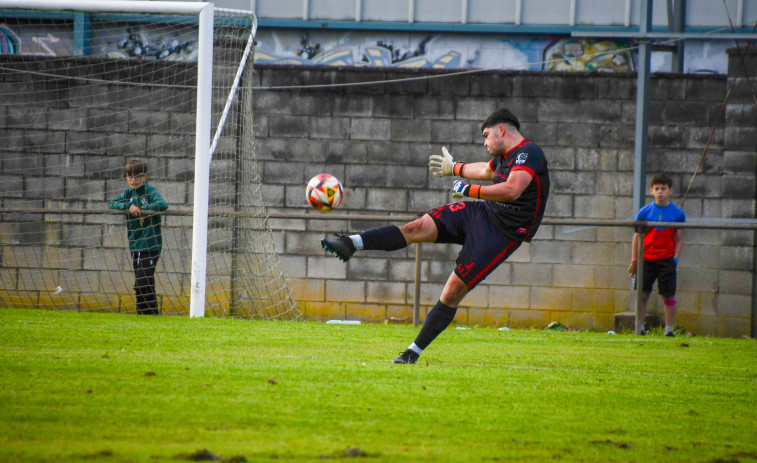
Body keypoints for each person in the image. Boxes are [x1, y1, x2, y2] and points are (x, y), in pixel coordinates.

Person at [321, 108, 550, 364]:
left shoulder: (530, 153)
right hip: (482, 213)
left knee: (453, 289)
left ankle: (412, 352)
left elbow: (511, 190)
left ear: (502, 130)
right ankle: (351, 243)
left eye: (486, 136)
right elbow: (486, 172)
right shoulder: (502, 157)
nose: (485, 143)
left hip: (503, 233)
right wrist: (455, 168)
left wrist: (470, 190)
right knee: (417, 227)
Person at [108, 160, 168, 315]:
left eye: (137, 176)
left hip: (151, 245)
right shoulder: (127, 195)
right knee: (147, 284)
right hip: (135, 246)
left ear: (145, 177)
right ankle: (147, 314)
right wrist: (128, 207)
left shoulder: (149, 192)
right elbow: (111, 203)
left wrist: (144, 210)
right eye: (129, 176)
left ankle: (147, 313)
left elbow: (163, 204)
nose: (133, 180)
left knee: (141, 282)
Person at [628, 173, 685, 337]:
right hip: (646, 260)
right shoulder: (645, 212)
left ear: (670, 190)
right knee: (643, 295)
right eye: (657, 189)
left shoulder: (677, 213)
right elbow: (637, 237)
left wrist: (674, 259)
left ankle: (669, 330)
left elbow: (679, 239)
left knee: (668, 296)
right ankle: (639, 327)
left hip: (666, 260)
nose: (660, 192)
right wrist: (634, 260)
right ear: (652, 190)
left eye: (664, 189)